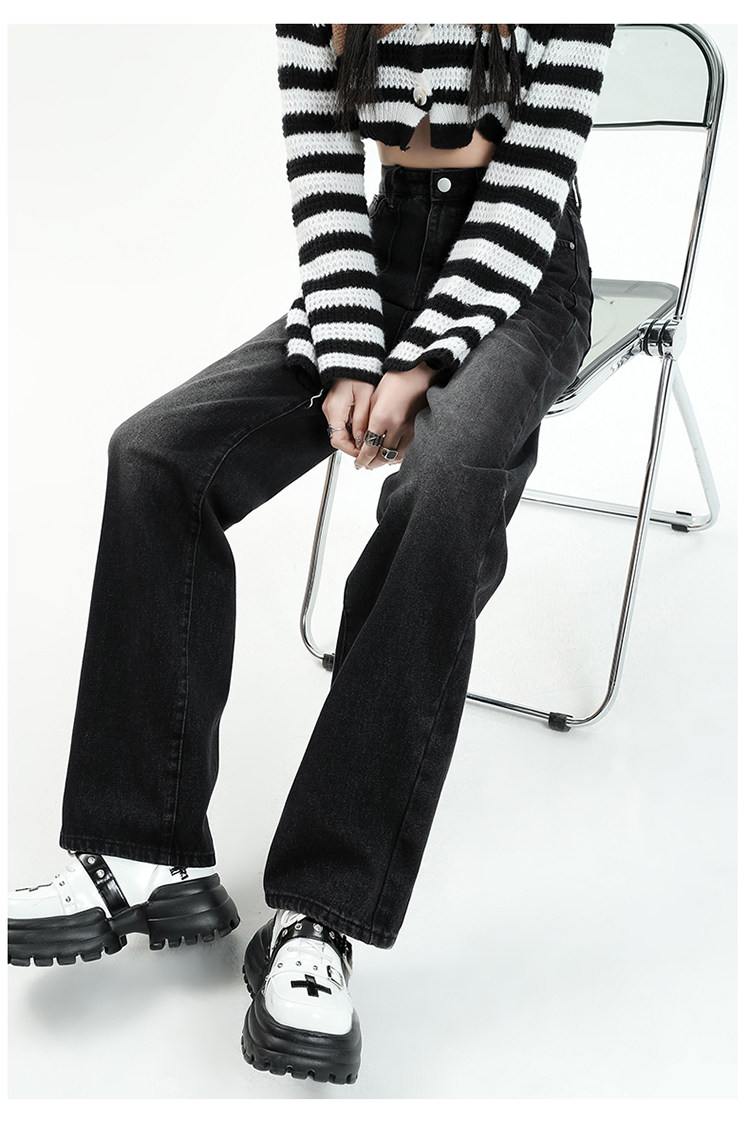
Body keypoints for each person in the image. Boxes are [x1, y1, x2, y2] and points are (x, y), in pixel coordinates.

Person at [8, 22, 616, 1085]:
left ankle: (318, 916)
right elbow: (325, 175)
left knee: (441, 495)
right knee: (156, 457)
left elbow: (529, 187)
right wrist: (347, 351)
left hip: (524, 277)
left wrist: (420, 361)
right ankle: (146, 847)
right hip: (380, 256)